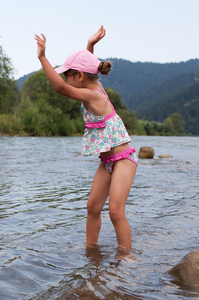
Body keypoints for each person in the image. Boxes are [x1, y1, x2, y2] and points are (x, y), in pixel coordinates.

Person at [35, 26, 137, 255]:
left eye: (68, 74)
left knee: (116, 211)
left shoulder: (93, 95)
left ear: (79, 76)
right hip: (108, 161)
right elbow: (89, 68)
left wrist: (42, 57)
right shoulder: (94, 85)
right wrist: (90, 45)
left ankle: (127, 257)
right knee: (92, 206)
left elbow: (59, 87)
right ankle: (91, 249)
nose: (65, 79)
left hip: (123, 160)